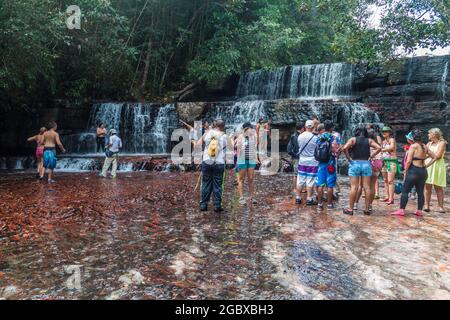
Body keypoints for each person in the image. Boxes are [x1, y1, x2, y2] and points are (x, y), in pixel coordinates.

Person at [392, 130, 436, 217]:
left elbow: (408, 161)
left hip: (413, 171)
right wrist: (426, 165)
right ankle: (419, 211)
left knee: (405, 190)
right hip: (423, 171)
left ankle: (401, 210)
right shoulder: (424, 146)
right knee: (420, 191)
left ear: (413, 137)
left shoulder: (413, 146)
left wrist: (405, 170)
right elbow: (434, 157)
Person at [342, 125, 381, 215]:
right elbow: (379, 148)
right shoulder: (369, 140)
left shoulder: (353, 139)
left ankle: (350, 209)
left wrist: (349, 158)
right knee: (367, 187)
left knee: (354, 187)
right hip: (366, 164)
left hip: (355, 164)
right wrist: (372, 156)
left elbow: (344, 148)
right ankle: (367, 209)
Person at [198, 119, 227, 212]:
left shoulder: (207, 134)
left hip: (206, 161)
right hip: (219, 163)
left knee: (206, 183)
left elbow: (197, 145)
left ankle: (203, 205)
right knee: (218, 185)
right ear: (222, 127)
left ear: (215, 125)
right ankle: (217, 206)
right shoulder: (225, 136)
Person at [316, 120, 341, 211]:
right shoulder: (335, 137)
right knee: (330, 185)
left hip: (321, 163)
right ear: (331, 128)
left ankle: (319, 204)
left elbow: (317, 148)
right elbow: (337, 150)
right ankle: (329, 204)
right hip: (331, 163)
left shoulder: (319, 137)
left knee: (320, 184)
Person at [236, 122, 260, 205]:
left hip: (251, 160)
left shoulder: (253, 137)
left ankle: (252, 197)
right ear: (246, 129)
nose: (251, 130)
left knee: (251, 178)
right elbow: (236, 148)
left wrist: (256, 158)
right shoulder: (240, 137)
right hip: (242, 160)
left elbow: (254, 148)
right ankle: (241, 198)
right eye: (250, 128)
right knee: (241, 179)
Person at [424, 128, 447, 213]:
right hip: (428, 166)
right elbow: (424, 154)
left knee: (438, 187)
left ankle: (440, 206)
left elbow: (438, 156)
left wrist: (429, 155)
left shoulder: (442, 143)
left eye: (429, 134)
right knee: (427, 187)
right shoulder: (429, 143)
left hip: (437, 166)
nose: (428, 135)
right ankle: (426, 205)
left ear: (434, 134)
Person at [296, 120, 319, 206]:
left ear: (305, 127)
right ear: (313, 127)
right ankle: (309, 199)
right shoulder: (315, 138)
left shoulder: (300, 136)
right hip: (312, 162)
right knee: (310, 180)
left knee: (300, 180)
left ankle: (298, 197)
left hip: (302, 160)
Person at [380, 126, 399, 205]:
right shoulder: (383, 141)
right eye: (383, 131)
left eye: (386, 131)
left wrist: (381, 149)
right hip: (384, 162)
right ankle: (387, 196)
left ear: (389, 132)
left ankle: (391, 198)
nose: (384, 132)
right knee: (385, 180)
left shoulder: (392, 140)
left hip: (391, 162)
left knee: (391, 181)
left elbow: (392, 147)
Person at [287, 122, 305, 198]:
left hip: (298, 157)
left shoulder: (295, 135)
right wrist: (295, 155)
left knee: (300, 173)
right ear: (302, 128)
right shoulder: (295, 136)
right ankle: (295, 189)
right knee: (296, 174)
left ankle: (301, 188)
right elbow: (292, 148)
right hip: (297, 157)